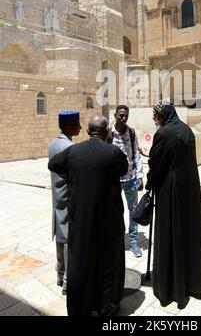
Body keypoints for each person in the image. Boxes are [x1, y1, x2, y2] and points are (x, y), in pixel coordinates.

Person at [48, 116, 128, 317]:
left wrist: (73, 173)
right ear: (106, 131)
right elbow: (124, 169)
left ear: (88, 131)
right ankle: (107, 306)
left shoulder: (73, 151)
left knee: (83, 261)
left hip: (82, 220)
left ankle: (81, 306)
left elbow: (54, 165)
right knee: (108, 263)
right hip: (108, 220)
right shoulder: (113, 152)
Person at [146, 101, 201, 310]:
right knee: (188, 233)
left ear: (164, 115)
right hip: (189, 190)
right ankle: (193, 283)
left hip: (170, 191)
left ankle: (170, 288)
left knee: (170, 233)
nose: (154, 118)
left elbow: (156, 163)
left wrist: (149, 181)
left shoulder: (163, 133)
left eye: (156, 114)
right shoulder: (186, 130)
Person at [48, 110, 81, 296]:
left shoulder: (53, 144)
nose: (80, 128)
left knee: (60, 239)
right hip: (67, 199)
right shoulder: (69, 148)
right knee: (68, 240)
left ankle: (60, 275)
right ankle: (68, 281)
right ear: (68, 126)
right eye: (77, 125)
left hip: (56, 198)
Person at [108, 105, 144, 258]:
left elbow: (136, 153)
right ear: (115, 115)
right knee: (114, 211)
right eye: (120, 115)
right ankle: (115, 241)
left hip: (131, 179)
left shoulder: (131, 132)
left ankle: (134, 241)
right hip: (114, 181)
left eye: (125, 115)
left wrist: (140, 175)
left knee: (133, 210)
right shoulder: (109, 134)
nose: (123, 118)